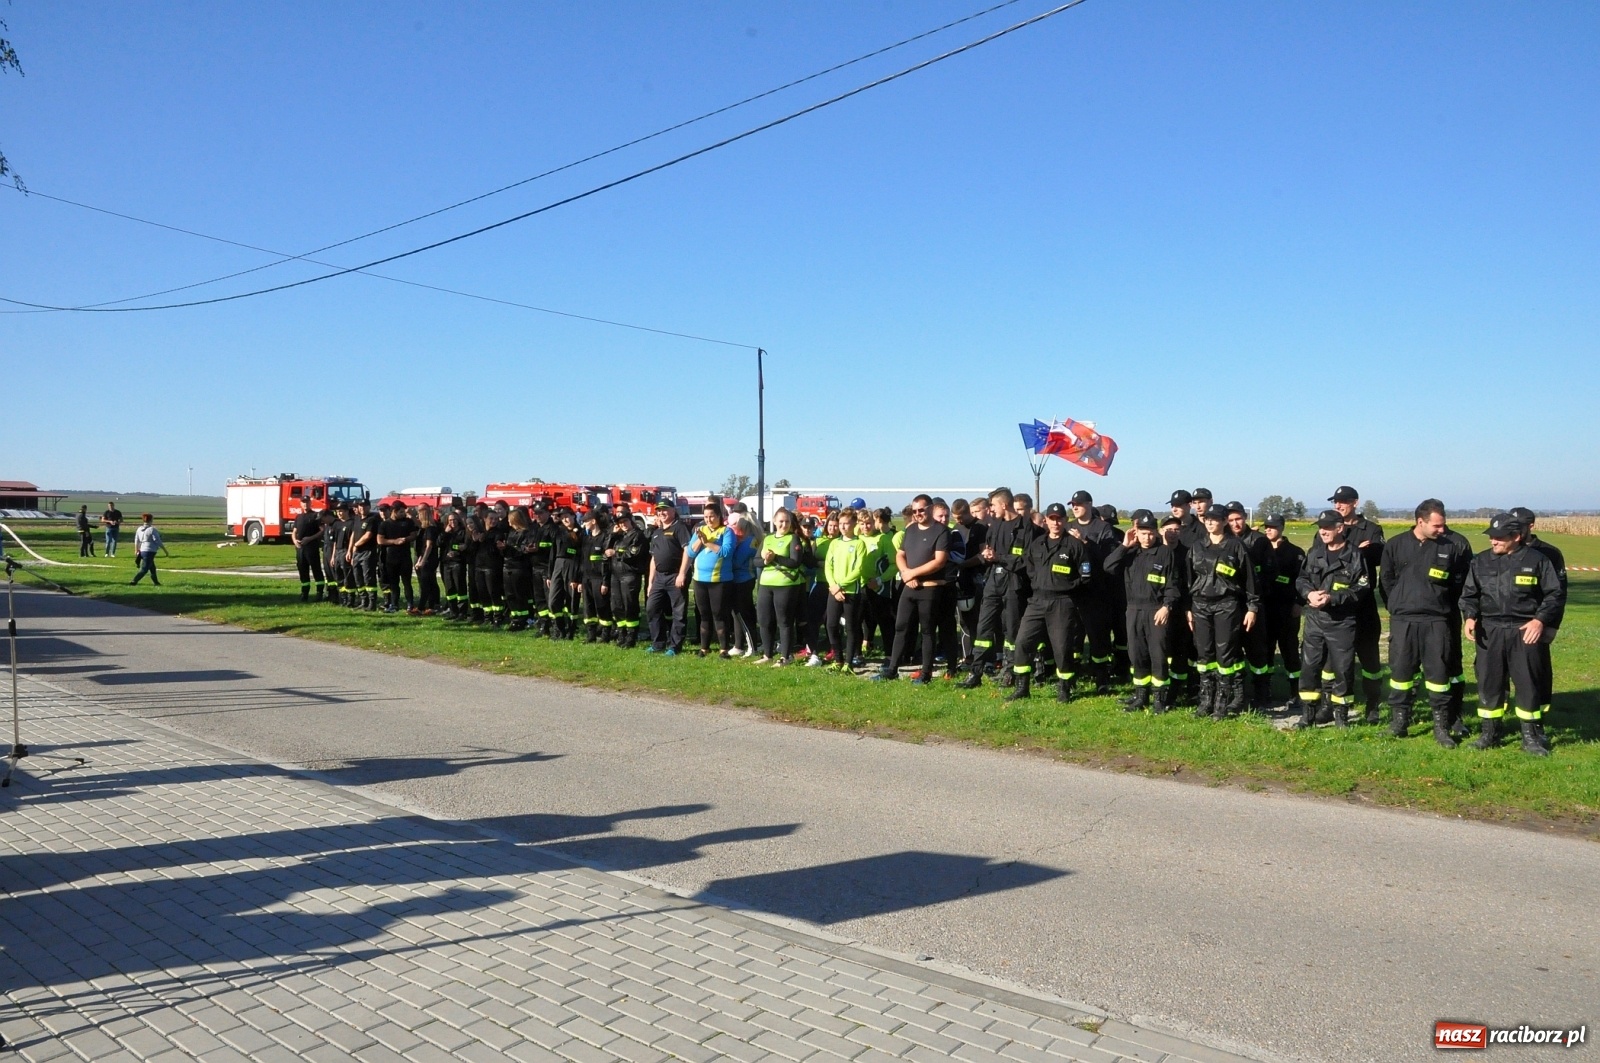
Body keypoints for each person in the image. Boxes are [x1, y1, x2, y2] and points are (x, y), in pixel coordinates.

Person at [1461, 513, 1565, 754]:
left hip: (1524, 630)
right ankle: (1490, 734)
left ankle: (1530, 737)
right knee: (1489, 682)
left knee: (1528, 683)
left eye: (1499, 537)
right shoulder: (1481, 561)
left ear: (1516, 537)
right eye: (1491, 537)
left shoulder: (1537, 560)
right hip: (1490, 631)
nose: (1493, 541)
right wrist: (1469, 616)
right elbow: (1469, 594)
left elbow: (1554, 594)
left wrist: (1540, 621)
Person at [1380, 499, 1472, 745]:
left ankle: (1442, 728)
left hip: (1437, 621)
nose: (1442, 530)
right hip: (1404, 621)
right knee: (1401, 673)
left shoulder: (1453, 545)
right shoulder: (1396, 544)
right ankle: (1399, 722)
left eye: (1444, 525)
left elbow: (1462, 585)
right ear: (1420, 522)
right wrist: (1400, 604)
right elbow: (1386, 581)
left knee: (1439, 674)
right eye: (1437, 525)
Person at [1003, 502, 1091, 702]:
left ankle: (1064, 689)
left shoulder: (1074, 546)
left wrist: (1067, 587)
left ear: (1065, 520)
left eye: (1059, 518)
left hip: (1062, 603)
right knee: (1023, 642)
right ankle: (1022, 687)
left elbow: (1085, 576)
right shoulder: (1037, 544)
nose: (1056, 522)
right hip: (1037, 601)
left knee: (1061, 647)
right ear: (1046, 521)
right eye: (1052, 519)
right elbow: (1029, 567)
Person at [1295, 511, 1371, 728]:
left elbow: (1362, 588)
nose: (1323, 531)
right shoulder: (1315, 553)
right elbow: (1301, 579)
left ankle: (1341, 717)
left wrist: (1333, 598)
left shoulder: (1355, 556)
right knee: (1309, 667)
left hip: (1342, 622)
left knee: (1343, 669)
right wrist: (1309, 593)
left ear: (1340, 528)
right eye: (1320, 527)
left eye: (1328, 527)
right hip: (1315, 620)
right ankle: (1308, 715)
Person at [1103, 510, 1183, 713]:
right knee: (1137, 654)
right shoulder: (1130, 552)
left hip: (1156, 610)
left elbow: (1173, 585)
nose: (1147, 538)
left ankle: (1159, 699)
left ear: (1156, 533)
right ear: (1136, 532)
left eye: (1150, 533)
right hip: (1133, 610)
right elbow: (1108, 567)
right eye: (1142, 533)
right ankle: (1140, 697)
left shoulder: (1165, 553)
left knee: (1158, 655)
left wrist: (1167, 606)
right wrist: (1124, 545)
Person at [1187, 506, 1260, 719]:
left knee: (1225, 653)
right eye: (1207, 519)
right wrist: (1188, 608)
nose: (1210, 523)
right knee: (1204, 653)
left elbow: (1249, 580)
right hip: (1200, 605)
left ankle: (1222, 702)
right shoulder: (1197, 547)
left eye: (1215, 519)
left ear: (1224, 522)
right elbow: (1188, 579)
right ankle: (1205, 700)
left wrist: (1252, 607)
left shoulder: (1236, 546)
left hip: (1227, 605)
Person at [875, 495, 953, 684]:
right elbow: (901, 555)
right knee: (900, 627)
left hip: (929, 589)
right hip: (909, 588)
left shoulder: (941, 531)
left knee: (927, 631)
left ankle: (926, 673)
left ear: (930, 509)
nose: (918, 514)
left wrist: (913, 574)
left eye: (921, 510)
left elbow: (939, 561)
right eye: (915, 510)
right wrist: (905, 573)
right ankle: (892, 669)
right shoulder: (910, 531)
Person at [964, 487, 1033, 688]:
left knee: (1012, 630)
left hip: (1014, 584)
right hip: (993, 582)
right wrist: (987, 556)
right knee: (983, 627)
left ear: (1004, 504)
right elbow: (989, 552)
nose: (991, 509)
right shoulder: (994, 527)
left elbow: (1026, 560)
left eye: (993, 505)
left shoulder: (1026, 528)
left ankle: (1010, 671)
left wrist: (999, 558)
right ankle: (975, 673)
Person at [1330, 486, 1387, 723]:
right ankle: (1331, 706)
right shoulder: (1330, 526)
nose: (1338, 506)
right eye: (1336, 502)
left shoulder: (1371, 529)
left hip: (1362, 605)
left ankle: (1372, 705)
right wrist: (1356, 551)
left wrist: (1355, 552)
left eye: (1343, 502)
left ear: (1355, 502)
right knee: (1336, 661)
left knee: (1370, 659)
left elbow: (1378, 557)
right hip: (1336, 606)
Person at [1511, 506, 1567, 718]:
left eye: (1519, 526)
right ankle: (1502, 706)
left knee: (1537, 670)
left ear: (1531, 525)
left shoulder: (1549, 553)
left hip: (1537, 622)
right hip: (1504, 623)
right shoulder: (1503, 551)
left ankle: (1540, 709)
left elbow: (1559, 592)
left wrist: (1551, 624)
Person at [1226, 502, 1278, 710]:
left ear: (1245, 518)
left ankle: (1262, 693)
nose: (1235, 523)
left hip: (1254, 605)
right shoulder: (1224, 541)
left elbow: (1271, 572)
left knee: (1257, 651)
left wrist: (1254, 598)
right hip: (1230, 605)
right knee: (1233, 649)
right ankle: (1239, 695)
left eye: (1238, 518)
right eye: (1230, 520)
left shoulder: (1259, 541)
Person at [1068, 490, 1118, 693]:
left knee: (1098, 637)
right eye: (1072, 504)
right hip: (1074, 589)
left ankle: (1101, 678)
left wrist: (1085, 543)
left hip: (1096, 591)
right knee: (1072, 636)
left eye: (1079, 504)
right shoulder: (1069, 527)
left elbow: (1109, 559)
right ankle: (1072, 675)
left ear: (1089, 504)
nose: (1075, 507)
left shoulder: (1103, 527)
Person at [1259, 515, 1305, 706]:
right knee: (1266, 651)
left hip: (1287, 609)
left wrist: (1299, 603)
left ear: (1283, 527)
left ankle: (1295, 691)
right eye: (1266, 527)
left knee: (1290, 651)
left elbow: (1304, 580)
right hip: (1266, 608)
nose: (1268, 530)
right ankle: (1265, 689)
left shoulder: (1295, 553)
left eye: (1273, 527)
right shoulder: (1260, 550)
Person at [823, 508, 872, 672]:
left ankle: (849, 663)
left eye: (846, 524)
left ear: (854, 524)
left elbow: (858, 569)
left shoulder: (859, 544)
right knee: (831, 625)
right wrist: (833, 586)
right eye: (841, 524)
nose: (843, 527)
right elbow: (828, 566)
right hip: (834, 591)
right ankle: (838, 659)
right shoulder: (834, 543)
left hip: (851, 592)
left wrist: (841, 585)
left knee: (851, 627)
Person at [756, 507, 807, 664]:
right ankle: (767, 654)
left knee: (784, 621)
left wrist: (775, 558)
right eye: (781, 521)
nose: (783, 525)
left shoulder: (793, 539)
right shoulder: (768, 538)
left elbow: (795, 562)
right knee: (765, 620)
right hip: (765, 584)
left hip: (785, 585)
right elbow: (756, 561)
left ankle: (786, 656)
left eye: (786, 521)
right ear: (774, 521)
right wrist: (765, 561)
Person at [687, 502, 737, 657]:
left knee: (719, 614)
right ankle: (704, 647)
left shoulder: (726, 532)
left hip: (720, 580)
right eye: (706, 517)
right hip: (700, 579)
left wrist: (707, 542)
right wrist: (699, 540)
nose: (709, 520)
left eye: (712, 517)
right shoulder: (699, 530)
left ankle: (723, 648)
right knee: (704, 614)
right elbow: (690, 552)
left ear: (719, 516)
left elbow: (726, 552)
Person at [645, 500, 692, 655]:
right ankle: (658, 643)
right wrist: (651, 582)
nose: (661, 513)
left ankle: (674, 646)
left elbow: (687, 551)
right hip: (659, 577)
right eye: (659, 510)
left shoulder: (680, 528)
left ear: (673, 510)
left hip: (675, 576)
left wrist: (682, 573)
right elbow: (653, 558)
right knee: (652, 608)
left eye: (665, 509)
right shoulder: (656, 532)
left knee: (678, 612)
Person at [605, 507, 649, 647]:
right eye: (620, 522)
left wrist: (616, 553)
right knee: (617, 606)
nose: (623, 524)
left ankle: (631, 635)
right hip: (616, 575)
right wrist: (612, 536)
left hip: (629, 575)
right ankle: (621, 632)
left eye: (625, 521)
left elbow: (633, 553)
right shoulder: (619, 536)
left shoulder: (637, 535)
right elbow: (606, 551)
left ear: (631, 521)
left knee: (630, 605)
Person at [728, 515, 763, 656]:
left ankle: (752, 646)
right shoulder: (748, 540)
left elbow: (737, 561)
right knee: (737, 613)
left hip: (743, 580)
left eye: (737, 524)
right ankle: (739, 645)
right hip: (741, 579)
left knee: (743, 613)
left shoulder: (750, 541)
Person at [548, 508, 583, 639]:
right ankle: (559, 627)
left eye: (567, 517)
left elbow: (581, 557)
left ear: (574, 516)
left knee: (572, 600)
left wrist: (578, 577)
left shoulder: (581, 533)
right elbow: (553, 553)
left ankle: (571, 629)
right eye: (562, 518)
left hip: (572, 565)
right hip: (558, 565)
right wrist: (549, 574)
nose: (565, 520)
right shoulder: (559, 531)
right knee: (553, 600)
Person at [580, 509, 613, 642]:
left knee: (602, 606)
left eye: (586, 521)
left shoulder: (605, 537)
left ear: (593, 522)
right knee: (588, 608)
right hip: (586, 578)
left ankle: (605, 635)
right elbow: (582, 559)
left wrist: (605, 582)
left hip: (599, 579)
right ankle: (591, 635)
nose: (584, 524)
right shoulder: (586, 538)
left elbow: (606, 562)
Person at [501, 508, 536, 631]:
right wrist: (504, 548)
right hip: (507, 566)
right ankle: (514, 618)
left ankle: (523, 619)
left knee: (520, 594)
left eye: (510, 520)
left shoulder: (526, 533)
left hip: (519, 567)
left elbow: (524, 550)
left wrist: (511, 548)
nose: (509, 523)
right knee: (510, 595)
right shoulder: (511, 532)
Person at [347, 499, 381, 611]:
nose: (362, 508)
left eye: (364, 506)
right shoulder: (356, 519)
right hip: (356, 553)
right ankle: (363, 601)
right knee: (358, 578)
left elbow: (368, 535)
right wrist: (350, 550)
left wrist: (356, 545)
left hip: (367, 552)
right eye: (360, 506)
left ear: (369, 507)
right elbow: (353, 534)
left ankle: (372, 603)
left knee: (368, 578)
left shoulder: (372, 519)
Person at [290, 501, 326, 602]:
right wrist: (295, 541)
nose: (305, 505)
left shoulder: (315, 515)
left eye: (307, 502)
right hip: (300, 548)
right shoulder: (299, 517)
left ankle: (319, 593)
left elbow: (322, 530)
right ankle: (304, 592)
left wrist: (309, 539)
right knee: (302, 570)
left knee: (316, 570)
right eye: (303, 502)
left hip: (311, 547)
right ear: (301, 504)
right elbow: (294, 532)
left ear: (311, 504)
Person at [438, 509, 470, 619]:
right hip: (446, 563)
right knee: (450, 589)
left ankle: (462, 612)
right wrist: (445, 533)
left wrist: (454, 550)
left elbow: (464, 546)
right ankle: (453, 611)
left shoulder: (463, 532)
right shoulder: (446, 532)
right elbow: (439, 543)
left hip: (458, 562)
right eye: (450, 520)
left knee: (460, 588)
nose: (453, 522)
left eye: (455, 520)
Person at [413, 505, 441, 615]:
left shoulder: (430, 529)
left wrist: (423, 560)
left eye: (419, 515)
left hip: (430, 559)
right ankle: (433, 606)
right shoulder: (424, 529)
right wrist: (419, 560)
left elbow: (429, 546)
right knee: (431, 582)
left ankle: (421, 607)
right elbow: (423, 547)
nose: (418, 517)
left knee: (426, 583)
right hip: (425, 558)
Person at [129, 514, 170, 586]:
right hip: (150, 551)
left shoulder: (139, 529)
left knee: (152, 568)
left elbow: (136, 540)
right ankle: (134, 581)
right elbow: (158, 541)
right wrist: (165, 550)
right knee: (144, 569)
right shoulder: (152, 529)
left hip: (142, 550)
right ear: (151, 520)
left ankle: (156, 582)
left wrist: (136, 549)